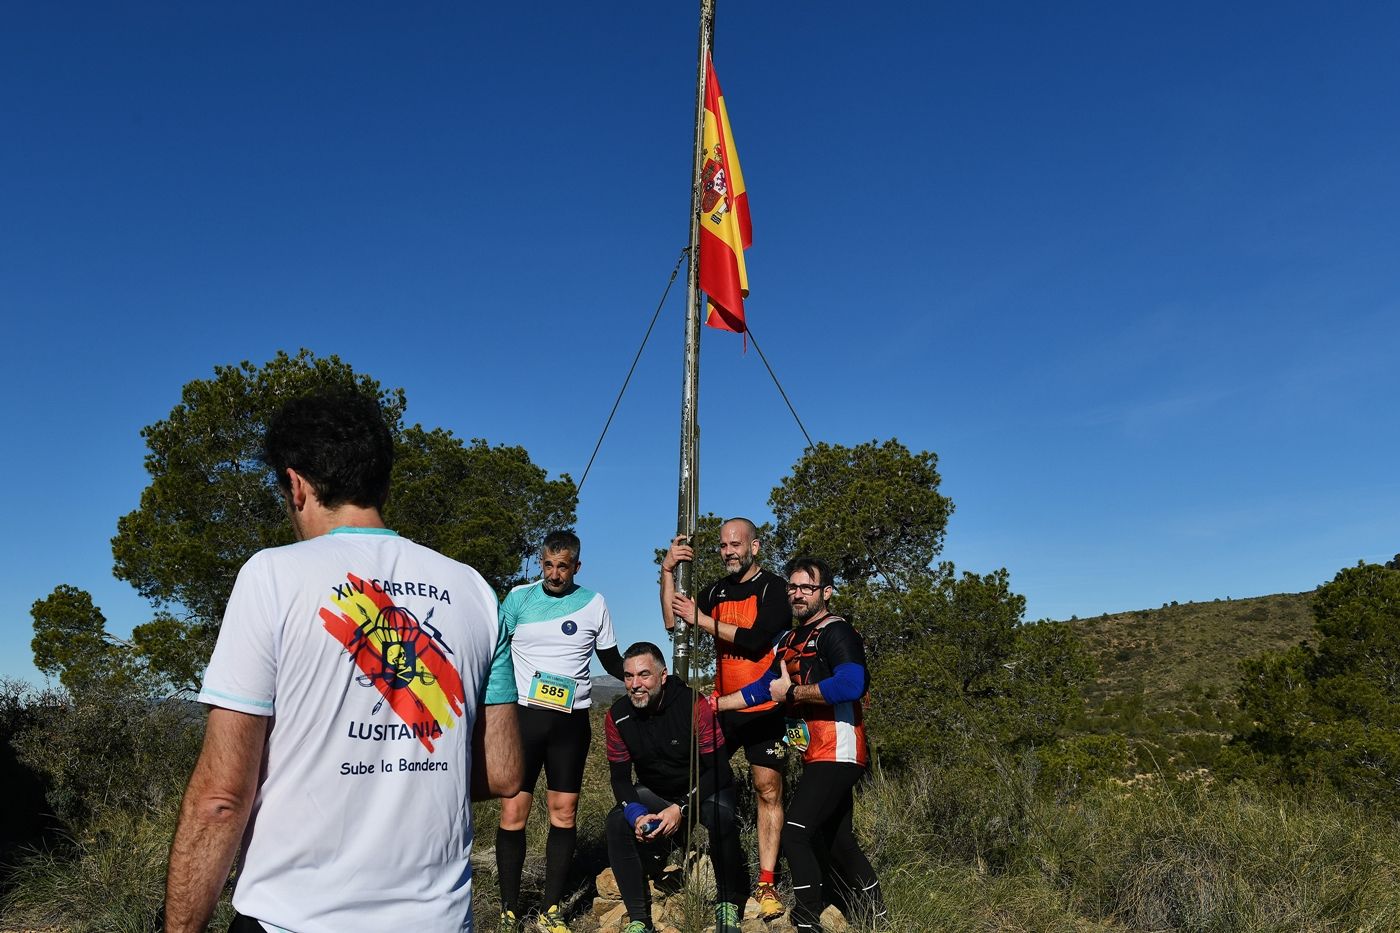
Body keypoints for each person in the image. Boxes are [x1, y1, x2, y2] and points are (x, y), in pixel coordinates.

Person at [164, 391, 522, 933]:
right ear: (381, 481)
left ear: (298, 484)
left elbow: (220, 799)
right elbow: (503, 773)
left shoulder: (272, 576)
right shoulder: (473, 590)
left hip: (294, 919)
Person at [716, 557, 886, 933]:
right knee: (838, 840)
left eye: (807, 587)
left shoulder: (836, 632)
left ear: (826, 592)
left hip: (840, 749)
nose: (798, 594)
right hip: (815, 753)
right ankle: (877, 915)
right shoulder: (789, 639)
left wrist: (792, 692)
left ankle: (807, 921)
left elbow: (851, 684)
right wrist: (716, 704)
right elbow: (764, 688)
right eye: (793, 587)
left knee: (795, 831)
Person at [660, 518, 791, 919]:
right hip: (722, 707)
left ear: (755, 547)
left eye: (736, 544)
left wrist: (701, 620)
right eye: (722, 545)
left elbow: (755, 643)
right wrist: (666, 571)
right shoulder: (716, 590)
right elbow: (672, 620)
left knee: (766, 788)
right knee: (694, 776)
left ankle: (766, 883)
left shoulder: (774, 588)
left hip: (765, 707)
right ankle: (681, 858)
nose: (729, 551)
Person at [495, 530, 625, 933]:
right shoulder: (518, 598)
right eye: (548, 565)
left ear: (576, 566)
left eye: (562, 566)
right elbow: (495, 652)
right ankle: (508, 910)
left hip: (570, 723)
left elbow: (611, 660)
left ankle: (551, 910)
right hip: (523, 720)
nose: (554, 573)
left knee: (563, 814)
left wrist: (647, 678)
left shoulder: (593, 603)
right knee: (514, 811)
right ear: (541, 562)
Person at [603, 643, 748, 933]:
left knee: (721, 818)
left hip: (705, 787)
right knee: (617, 822)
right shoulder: (617, 716)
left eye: (644, 675)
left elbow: (720, 770)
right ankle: (639, 921)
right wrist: (635, 813)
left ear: (663, 675)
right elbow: (620, 778)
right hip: (656, 791)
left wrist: (681, 808)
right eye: (629, 676)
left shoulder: (694, 705)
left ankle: (727, 904)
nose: (635, 684)